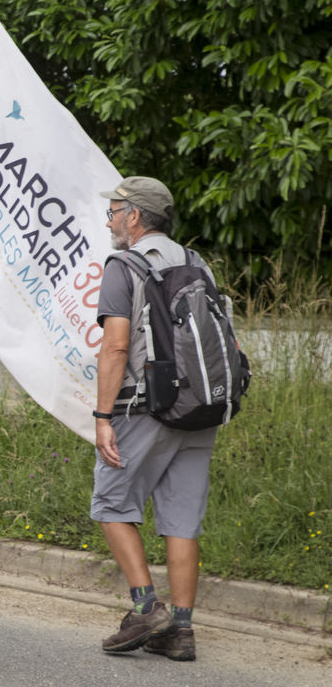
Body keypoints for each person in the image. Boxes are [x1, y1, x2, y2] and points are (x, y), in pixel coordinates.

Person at [92, 176, 216, 661]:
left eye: (113, 212)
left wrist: (103, 416)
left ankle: (147, 609)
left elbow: (116, 346)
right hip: (199, 408)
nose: (110, 221)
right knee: (182, 520)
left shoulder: (124, 266)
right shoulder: (196, 263)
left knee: (112, 504)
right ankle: (180, 632)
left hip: (143, 407)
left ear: (134, 216)